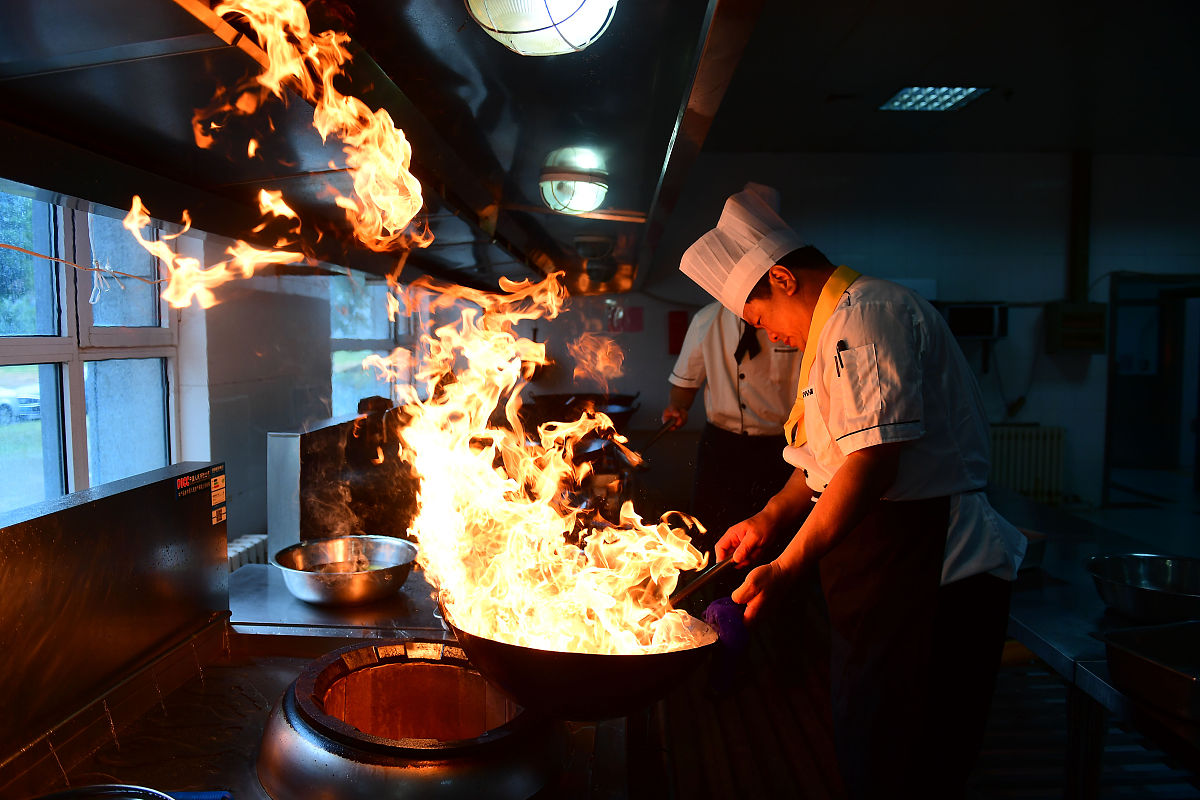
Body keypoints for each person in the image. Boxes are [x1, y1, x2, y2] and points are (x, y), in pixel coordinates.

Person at [679, 182, 1027, 799]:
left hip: (932, 571)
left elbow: (870, 468)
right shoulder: (832, 336)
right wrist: (767, 520)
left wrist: (785, 569)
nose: (772, 338)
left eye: (760, 319)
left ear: (784, 280)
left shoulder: (869, 314)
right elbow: (821, 465)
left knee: (907, 757)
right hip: (879, 564)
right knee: (867, 735)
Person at [661, 300, 801, 552]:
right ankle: (718, 592)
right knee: (712, 534)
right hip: (722, 447)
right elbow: (685, 383)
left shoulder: (789, 320)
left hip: (781, 447)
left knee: (777, 538)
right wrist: (677, 407)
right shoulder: (707, 319)